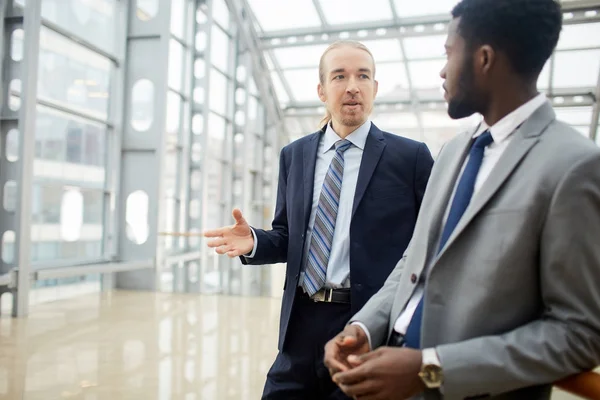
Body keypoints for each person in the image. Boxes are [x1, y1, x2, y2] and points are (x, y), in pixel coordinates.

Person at [324, 1, 600, 399]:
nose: (442, 69)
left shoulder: (574, 166)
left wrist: (430, 369)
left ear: (484, 59)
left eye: (449, 52)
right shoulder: (454, 151)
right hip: (390, 376)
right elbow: (414, 263)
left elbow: (579, 334)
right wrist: (364, 328)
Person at [203, 40, 434, 399]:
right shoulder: (294, 155)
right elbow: (286, 234)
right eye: (340, 76)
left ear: (375, 88)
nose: (352, 86)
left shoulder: (411, 158)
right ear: (322, 90)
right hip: (300, 325)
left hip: (365, 327)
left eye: (363, 76)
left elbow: (429, 244)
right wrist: (255, 242)